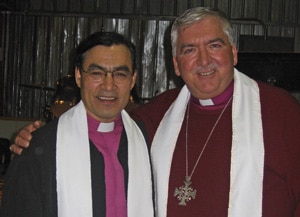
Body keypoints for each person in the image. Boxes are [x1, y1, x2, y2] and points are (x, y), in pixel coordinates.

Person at [9, 7, 300, 217]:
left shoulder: (281, 110)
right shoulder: (157, 115)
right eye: (188, 50)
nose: (203, 60)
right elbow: (102, 118)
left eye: (214, 46)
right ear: (176, 64)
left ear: (233, 53)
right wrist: (36, 140)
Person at [1, 32, 154, 217]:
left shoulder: (146, 139)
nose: (108, 86)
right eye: (96, 73)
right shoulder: (39, 147)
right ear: (79, 76)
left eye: (120, 74)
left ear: (133, 79)